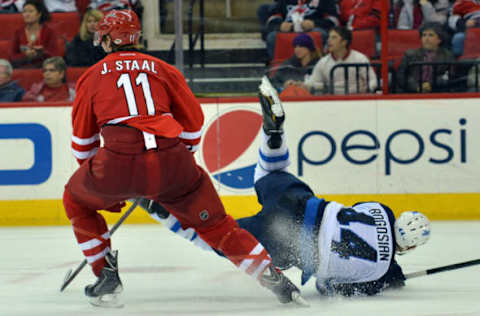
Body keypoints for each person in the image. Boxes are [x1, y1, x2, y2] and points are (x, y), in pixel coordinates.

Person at [62, 9, 305, 308]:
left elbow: (82, 145)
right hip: (172, 159)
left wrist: (104, 187)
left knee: (75, 200)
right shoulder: (164, 69)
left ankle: (106, 277)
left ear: (109, 39)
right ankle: (275, 279)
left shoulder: (91, 76)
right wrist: (175, 162)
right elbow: (192, 124)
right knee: (218, 227)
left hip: (116, 161)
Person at [140, 76, 432, 297]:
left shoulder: (381, 210)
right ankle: (161, 210)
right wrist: (389, 276)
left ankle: (274, 135)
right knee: (213, 237)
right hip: (288, 242)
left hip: (301, 204)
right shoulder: (377, 274)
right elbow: (326, 288)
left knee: (270, 171)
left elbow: (357, 215)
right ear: (409, 246)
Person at [289, 26, 377, 94]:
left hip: (359, 99)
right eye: (329, 37)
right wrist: (302, 85)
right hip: (332, 101)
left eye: (334, 38)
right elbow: (314, 82)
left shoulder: (360, 59)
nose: (329, 41)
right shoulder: (323, 62)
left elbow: (373, 81)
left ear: (344, 42)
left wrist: (366, 94)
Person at [265, 0, 339, 60]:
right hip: (288, 31)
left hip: (312, 30)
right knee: (272, 37)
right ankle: (278, 68)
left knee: (321, 33)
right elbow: (272, 18)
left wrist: (314, 23)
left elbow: (333, 20)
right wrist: (280, 25)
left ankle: (315, 66)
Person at [397, 22, 455, 93]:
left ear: (439, 39)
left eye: (431, 35)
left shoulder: (448, 55)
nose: (426, 39)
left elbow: (450, 76)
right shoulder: (410, 54)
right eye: (424, 35)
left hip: (438, 92)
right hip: (412, 92)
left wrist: (430, 84)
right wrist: (417, 87)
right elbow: (401, 76)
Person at [10, 0, 59, 68]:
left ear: (39, 14)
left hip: (44, 68)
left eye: (30, 11)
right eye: (24, 11)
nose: (27, 14)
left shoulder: (49, 32)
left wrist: (41, 53)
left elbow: (54, 55)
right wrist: (25, 55)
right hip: (23, 68)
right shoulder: (18, 32)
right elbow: (13, 56)